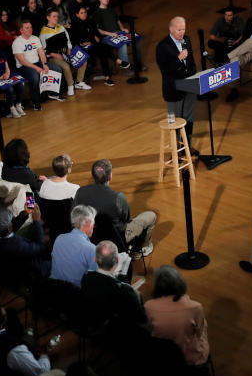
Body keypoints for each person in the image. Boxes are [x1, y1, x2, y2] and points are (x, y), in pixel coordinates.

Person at [75, 159, 157, 255]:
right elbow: (126, 219)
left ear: (93, 175)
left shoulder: (80, 191)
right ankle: (142, 249)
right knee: (151, 216)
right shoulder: (118, 197)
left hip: (90, 236)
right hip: (116, 238)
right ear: (110, 176)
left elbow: (75, 214)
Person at [144, 265, 209, 366]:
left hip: (163, 356)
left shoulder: (148, 306)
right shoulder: (195, 307)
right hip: (190, 358)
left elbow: (149, 330)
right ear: (180, 282)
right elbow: (200, 332)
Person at [156, 16, 199, 153]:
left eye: (184, 29)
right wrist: (179, 58)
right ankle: (177, 151)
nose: (182, 32)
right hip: (174, 90)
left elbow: (192, 62)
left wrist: (194, 77)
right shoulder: (163, 46)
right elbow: (165, 70)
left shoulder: (187, 40)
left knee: (189, 119)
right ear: (171, 29)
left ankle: (187, 147)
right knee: (175, 123)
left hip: (189, 87)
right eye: (179, 30)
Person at [80, 240, 147, 327]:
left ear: (95, 259)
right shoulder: (123, 290)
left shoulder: (84, 277)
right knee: (138, 295)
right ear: (117, 261)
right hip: (110, 326)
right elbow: (139, 317)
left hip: (88, 318)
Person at [40, 8, 90, 96]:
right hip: (54, 57)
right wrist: (55, 55)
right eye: (54, 16)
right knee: (66, 66)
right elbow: (44, 50)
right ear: (48, 17)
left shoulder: (61, 27)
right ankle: (70, 86)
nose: (56, 18)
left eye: (57, 16)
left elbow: (68, 40)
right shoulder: (43, 33)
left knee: (83, 60)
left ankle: (79, 82)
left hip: (66, 53)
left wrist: (69, 49)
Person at [50, 204, 98, 287]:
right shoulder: (91, 249)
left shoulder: (59, 238)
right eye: (93, 224)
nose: (93, 227)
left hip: (53, 289)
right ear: (88, 223)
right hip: (76, 295)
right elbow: (97, 278)